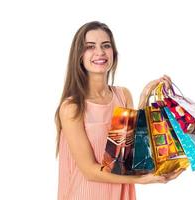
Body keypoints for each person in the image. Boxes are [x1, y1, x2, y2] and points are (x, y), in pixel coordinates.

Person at [55, 21, 184, 200]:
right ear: (79, 56)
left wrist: (146, 96)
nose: (100, 52)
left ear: (113, 53)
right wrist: (142, 180)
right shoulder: (72, 108)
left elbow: (130, 151)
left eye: (106, 45)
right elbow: (89, 171)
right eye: (90, 47)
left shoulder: (123, 95)